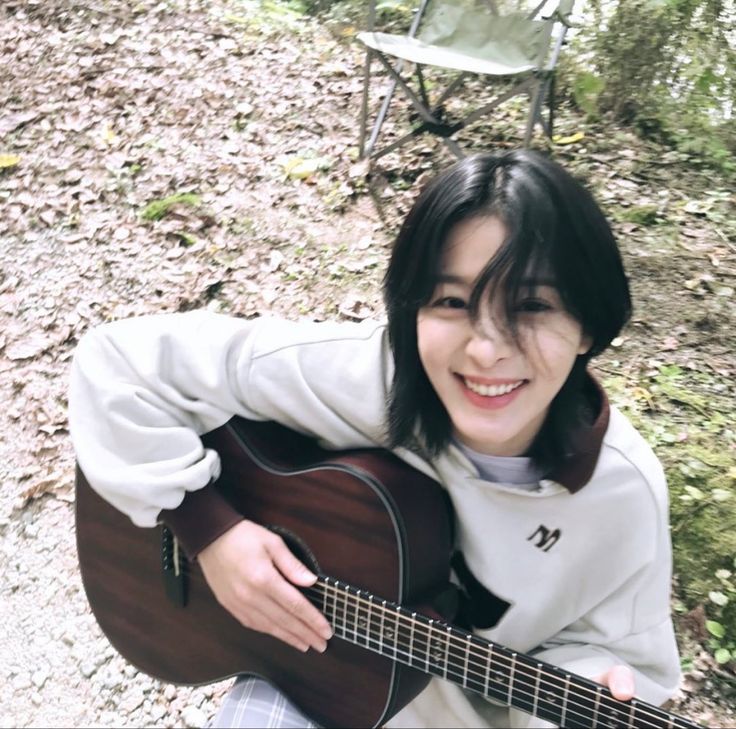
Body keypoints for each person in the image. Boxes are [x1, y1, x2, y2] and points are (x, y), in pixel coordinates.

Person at [68, 149, 682, 728]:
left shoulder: (621, 497)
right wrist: (211, 532)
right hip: (303, 674)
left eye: (531, 305)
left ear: (587, 328)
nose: (487, 349)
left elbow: (618, 656)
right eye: (452, 300)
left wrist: (596, 681)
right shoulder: (370, 378)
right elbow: (119, 362)